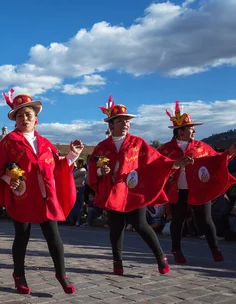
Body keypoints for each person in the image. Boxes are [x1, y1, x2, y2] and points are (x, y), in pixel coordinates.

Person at [88, 96, 193, 276]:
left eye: (127, 121)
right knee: (116, 227)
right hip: (113, 193)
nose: (126, 124)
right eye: (121, 121)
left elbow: (156, 161)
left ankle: (160, 257)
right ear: (111, 125)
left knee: (140, 224)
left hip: (133, 192)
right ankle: (117, 261)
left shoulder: (137, 143)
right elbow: (93, 167)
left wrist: (175, 164)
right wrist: (100, 172)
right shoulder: (102, 147)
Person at [0, 91, 83, 294]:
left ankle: (62, 274)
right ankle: (19, 275)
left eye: (28, 115)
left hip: (45, 197)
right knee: (22, 236)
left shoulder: (46, 144)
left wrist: (72, 156)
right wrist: (9, 180)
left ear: (36, 119)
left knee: (54, 237)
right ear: (15, 120)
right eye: (20, 115)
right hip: (22, 196)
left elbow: (57, 168)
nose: (25, 118)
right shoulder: (8, 142)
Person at [158, 101, 236, 263]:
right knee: (177, 220)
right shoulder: (166, 149)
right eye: (190, 128)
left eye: (193, 128)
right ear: (180, 132)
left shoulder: (201, 147)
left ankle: (215, 248)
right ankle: (176, 249)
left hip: (198, 189)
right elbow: (157, 165)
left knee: (205, 220)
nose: (193, 131)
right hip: (177, 190)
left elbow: (216, 160)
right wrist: (175, 164)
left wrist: (229, 152)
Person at [68, 159, 87, 226]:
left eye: (77, 163)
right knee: (73, 204)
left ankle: (77, 221)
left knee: (79, 205)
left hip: (79, 188)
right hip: (74, 188)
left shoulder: (82, 170)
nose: (76, 164)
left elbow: (72, 176)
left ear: (81, 163)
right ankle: (72, 220)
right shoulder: (76, 169)